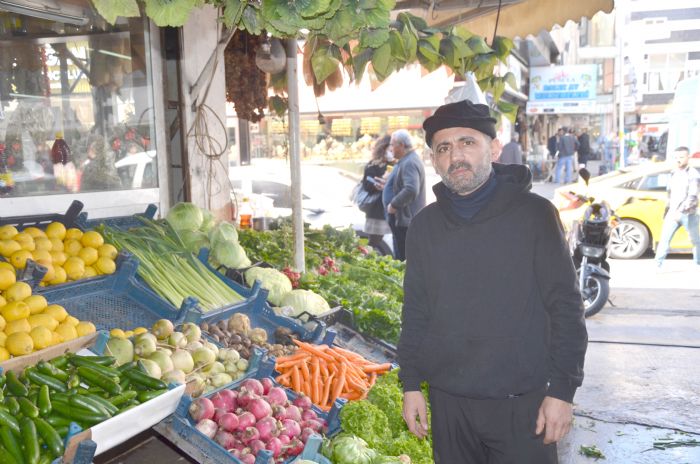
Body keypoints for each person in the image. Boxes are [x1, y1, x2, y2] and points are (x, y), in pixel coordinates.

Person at [398, 99, 588, 464]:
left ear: (494, 148)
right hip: (449, 403)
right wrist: (411, 385)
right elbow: (416, 311)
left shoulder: (535, 216)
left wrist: (563, 391)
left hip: (522, 406)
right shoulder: (425, 225)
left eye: (467, 142)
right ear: (435, 160)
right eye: (444, 148)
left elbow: (566, 307)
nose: (456, 155)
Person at [654, 146, 700, 268]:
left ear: (688, 157)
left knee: (695, 241)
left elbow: (692, 196)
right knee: (664, 239)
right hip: (672, 213)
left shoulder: (693, 174)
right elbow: (669, 193)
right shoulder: (673, 173)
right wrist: (668, 211)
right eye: (676, 157)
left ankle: (697, 263)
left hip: (688, 214)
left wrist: (680, 212)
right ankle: (658, 264)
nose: (678, 160)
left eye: (681, 157)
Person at [385, 129, 426, 261]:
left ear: (401, 145)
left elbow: (411, 189)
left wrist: (394, 204)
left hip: (406, 222)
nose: (390, 149)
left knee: (404, 259)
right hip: (403, 220)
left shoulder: (409, 162)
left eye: (392, 145)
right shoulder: (406, 160)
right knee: (401, 257)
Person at [360, 135, 392, 251]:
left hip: (391, 209)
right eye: (390, 148)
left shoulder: (396, 164)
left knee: (393, 243)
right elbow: (366, 185)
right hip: (376, 211)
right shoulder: (372, 165)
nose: (392, 151)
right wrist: (378, 185)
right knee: (374, 243)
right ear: (383, 149)